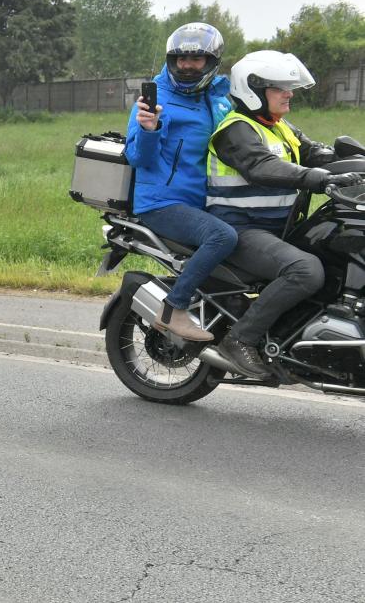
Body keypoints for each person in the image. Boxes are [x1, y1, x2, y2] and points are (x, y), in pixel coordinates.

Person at [207, 50, 365, 377]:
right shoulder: (234, 131)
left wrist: (354, 164)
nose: (289, 93)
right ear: (253, 90)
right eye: (280, 88)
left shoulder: (278, 126)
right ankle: (239, 339)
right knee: (306, 270)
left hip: (276, 228)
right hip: (240, 231)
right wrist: (318, 179)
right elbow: (262, 167)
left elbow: (316, 153)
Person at [125, 23, 238, 341]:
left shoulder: (217, 99)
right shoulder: (156, 99)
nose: (187, 66)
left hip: (201, 201)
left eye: (196, 59)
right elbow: (137, 158)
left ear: (212, 61)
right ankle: (174, 308)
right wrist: (149, 129)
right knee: (222, 237)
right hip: (161, 202)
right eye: (180, 59)